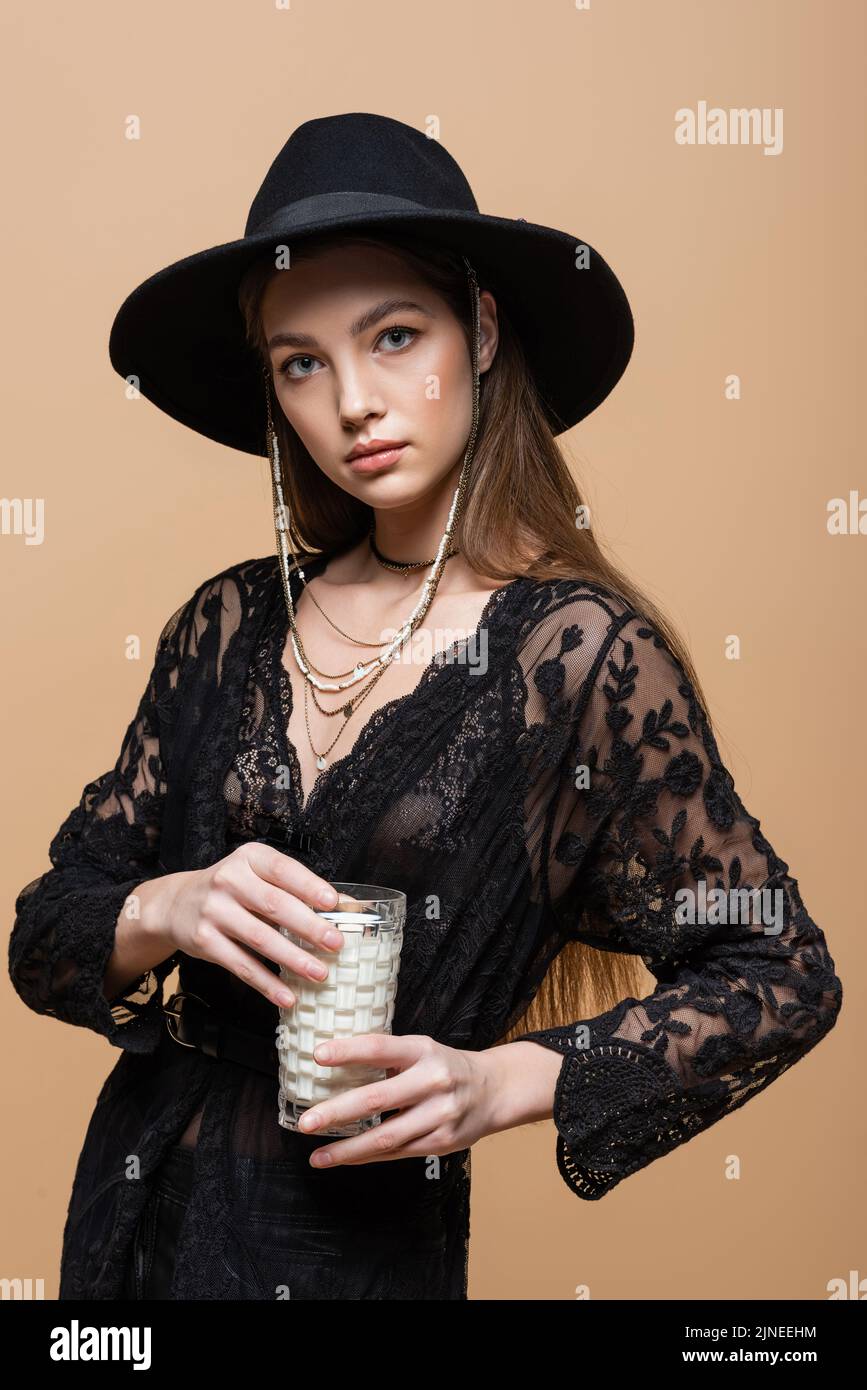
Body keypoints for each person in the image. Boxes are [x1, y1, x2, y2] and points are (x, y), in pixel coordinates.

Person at [9, 113, 843, 1301]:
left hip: (351, 1251)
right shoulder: (230, 621)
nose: (353, 401)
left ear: (482, 328)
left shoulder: (578, 658)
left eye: (394, 337)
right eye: (302, 362)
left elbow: (781, 970)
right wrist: (174, 905)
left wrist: (501, 1082)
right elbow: (47, 930)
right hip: (129, 1226)